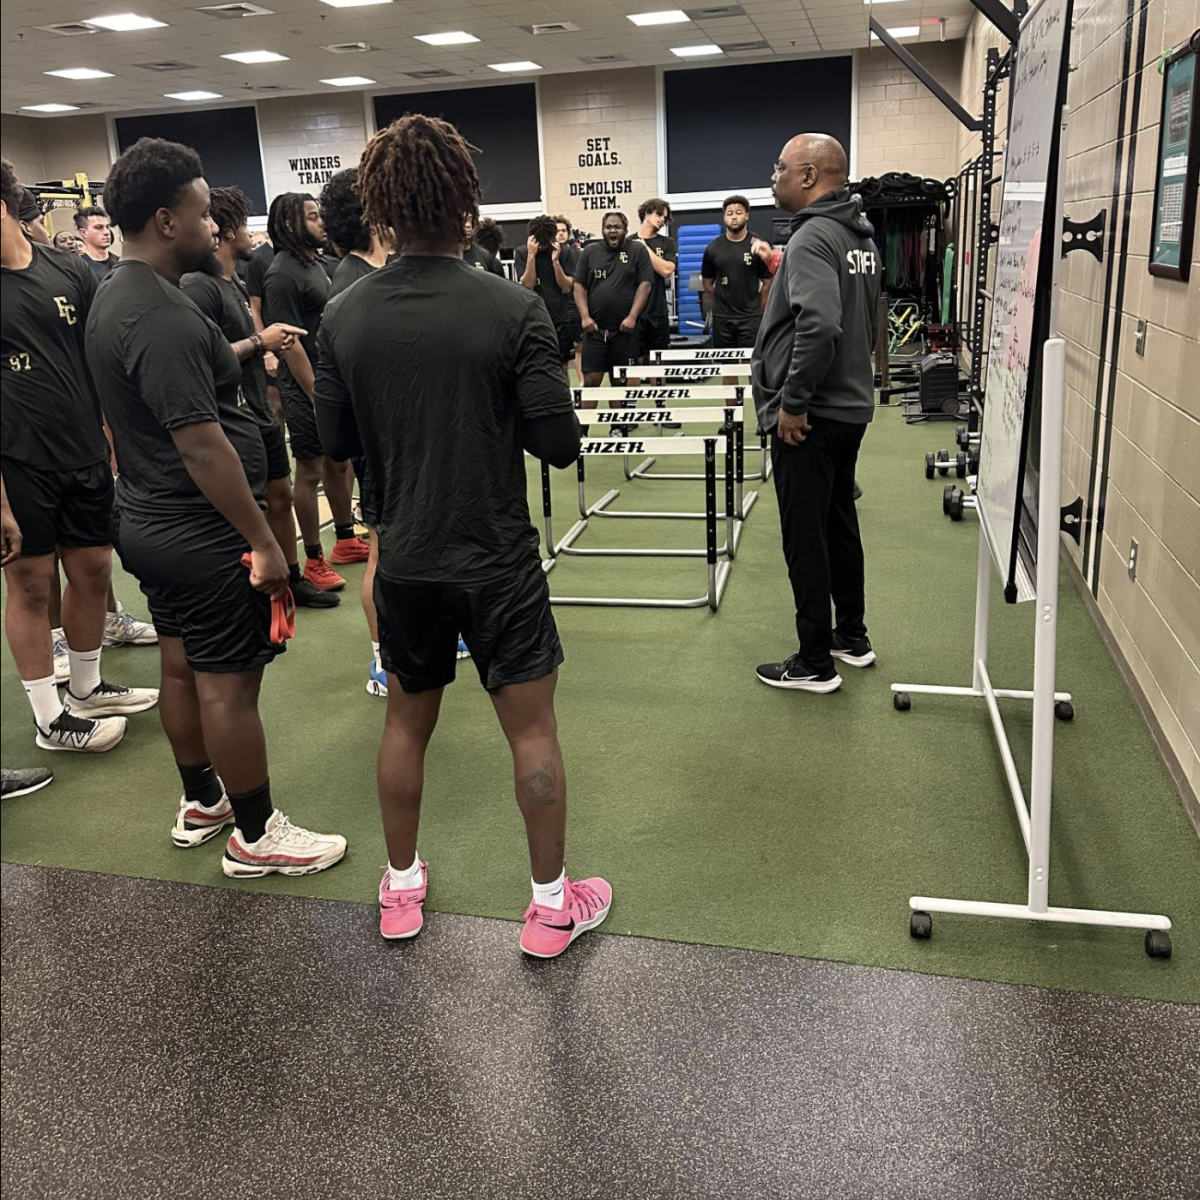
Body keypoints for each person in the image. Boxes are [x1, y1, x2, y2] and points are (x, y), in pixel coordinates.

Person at [315, 113, 610, 957]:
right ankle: (551, 907)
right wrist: (489, 405)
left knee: (405, 724)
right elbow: (558, 445)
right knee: (532, 731)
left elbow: (334, 442)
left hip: (403, 557)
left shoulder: (343, 315)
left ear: (383, 207)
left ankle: (401, 889)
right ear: (466, 202)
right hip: (496, 560)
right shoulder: (513, 308)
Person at [86, 136, 346, 873]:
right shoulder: (159, 314)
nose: (216, 228)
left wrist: (242, 347)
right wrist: (265, 541)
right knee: (228, 685)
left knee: (179, 667)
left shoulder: (120, 296)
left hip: (146, 519)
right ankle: (257, 836)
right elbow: (203, 447)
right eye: (204, 216)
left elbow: (163, 384)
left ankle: (204, 801)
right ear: (167, 220)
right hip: (198, 531)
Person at [1, 158, 158, 754]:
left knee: (92, 570)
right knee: (32, 586)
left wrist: (117, 437)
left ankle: (87, 690)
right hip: (17, 462)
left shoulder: (70, 271)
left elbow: (105, 360)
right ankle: (49, 719)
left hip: (86, 452)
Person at [752, 134, 880, 694]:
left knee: (806, 537)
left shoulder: (811, 237)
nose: (772, 177)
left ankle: (813, 662)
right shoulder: (860, 236)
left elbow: (822, 324)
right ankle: (850, 637)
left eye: (779, 168)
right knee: (837, 523)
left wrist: (793, 403)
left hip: (812, 414)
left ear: (808, 175)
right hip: (850, 407)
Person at [179, 185, 339, 611]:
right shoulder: (198, 287)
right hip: (230, 419)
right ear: (229, 231)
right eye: (245, 227)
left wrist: (264, 342)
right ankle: (249, 589)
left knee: (280, 496)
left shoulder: (234, 281)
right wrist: (260, 341)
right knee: (250, 506)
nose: (253, 235)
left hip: (258, 413)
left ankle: (292, 577)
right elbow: (200, 361)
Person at [261, 191, 368, 592]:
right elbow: (288, 343)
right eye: (311, 217)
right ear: (291, 225)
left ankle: (344, 539)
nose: (321, 222)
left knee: (340, 461)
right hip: (304, 382)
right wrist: (315, 394)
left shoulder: (319, 265)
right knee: (309, 469)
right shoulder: (281, 274)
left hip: (330, 377)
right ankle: (313, 558)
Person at [319, 166, 395, 694]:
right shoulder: (350, 284)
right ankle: (380, 657)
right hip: (378, 447)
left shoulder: (378, 271)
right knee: (384, 554)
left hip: (402, 441)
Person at [573, 211, 652, 399]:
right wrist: (584, 316)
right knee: (591, 380)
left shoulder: (637, 251)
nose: (612, 231)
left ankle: (618, 428)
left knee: (620, 381)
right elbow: (578, 285)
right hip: (595, 329)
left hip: (624, 330)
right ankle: (583, 429)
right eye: (608, 227)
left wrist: (632, 316)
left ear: (625, 229)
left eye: (617, 227)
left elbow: (645, 285)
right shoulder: (590, 252)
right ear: (603, 230)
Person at [702, 195, 774, 352]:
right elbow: (707, 283)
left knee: (751, 367)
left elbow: (768, 281)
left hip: (750, 318)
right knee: (728, 368)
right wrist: (722, 301)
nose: (734, 217)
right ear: (724, 217)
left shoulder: (758, 245)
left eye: (738, 212)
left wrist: (759, 309)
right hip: (722, 319)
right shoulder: (713, 248)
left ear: (746, 215)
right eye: (729, 213)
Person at [513, 214, 577, 382]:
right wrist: (531, 256)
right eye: (539, 242)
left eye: (545, 242)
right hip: (534, 320)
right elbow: (527, 286)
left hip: (559, 319)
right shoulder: (522, 252)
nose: (542, 246)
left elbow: (566, 287)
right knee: (535, 367)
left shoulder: (564, 252)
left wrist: (555, 262)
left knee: (562, 368)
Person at [629, 198, 677, 359]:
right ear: (647, 213)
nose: (662, 220)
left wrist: (643, 248)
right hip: (633, 311)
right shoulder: (628, 242)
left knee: (658, 362)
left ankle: (658, 386)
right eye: (659, 215)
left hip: (657, 311)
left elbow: (666, 270)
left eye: (665, 217)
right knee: (635, 361)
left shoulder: (667, 243)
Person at [555, 215, 584, 380]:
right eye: (557, 231)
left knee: (579, 346)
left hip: (575, 305)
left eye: (564, 231)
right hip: (558, 307)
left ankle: (582, 384)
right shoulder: (546, 255)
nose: (561, 234)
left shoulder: (577, 254)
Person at [74, 206, 120, 280]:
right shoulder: (78, 267)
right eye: (98, 227)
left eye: (107, 227)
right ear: (83, 233)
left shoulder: (120, 262)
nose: (106, 232)